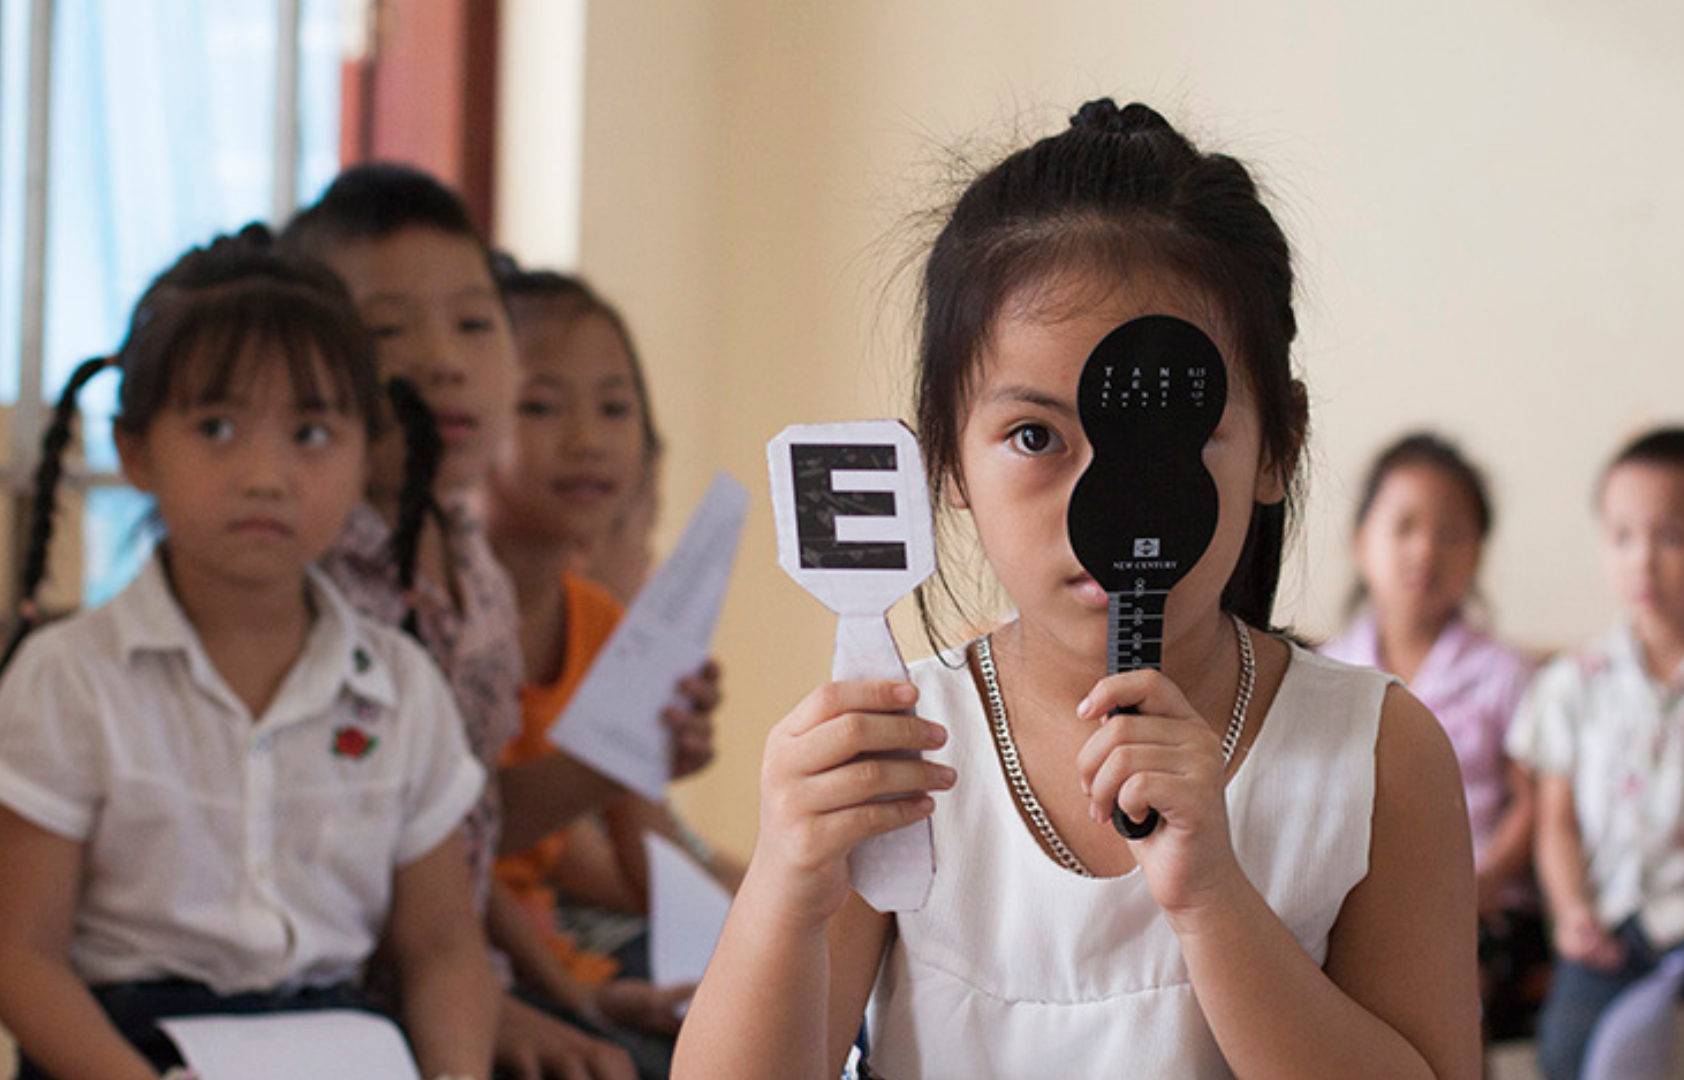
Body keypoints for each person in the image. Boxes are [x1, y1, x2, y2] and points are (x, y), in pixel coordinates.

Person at [673, 98, 1480, 1080]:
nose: (1104, 501)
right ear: (948, 464)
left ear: (1278, 444)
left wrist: (1211, 899)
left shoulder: (1380, 758)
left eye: (1164, 434)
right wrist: (785, 885)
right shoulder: (899, 748)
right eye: (1035, 437)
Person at [0, 227, 496, 1080]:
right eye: (217, 427)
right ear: (137, 450)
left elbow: (443, 948)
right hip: (123, 1052)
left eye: (313, 434)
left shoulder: (402, 687)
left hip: (340, 1046)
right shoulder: (68, 679)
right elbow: (22, 960)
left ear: (368, 452)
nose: (266, 474)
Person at [283, 164, 645, 1080]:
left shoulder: (468, 563)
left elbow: (462, 834)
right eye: (388, 328)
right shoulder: (315, 581)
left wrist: (568, 998)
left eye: (475, 323)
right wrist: (500, 1015)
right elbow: (341, 870)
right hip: (347, 996)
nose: (443, 358)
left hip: (461, 974)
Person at [483, 266, 732, 1079]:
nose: (587, 439)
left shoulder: (597, 625)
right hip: (474, 957)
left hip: (550, 955)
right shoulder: (447, 618)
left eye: (615, 407)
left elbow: (644, 844)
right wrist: (567, 996)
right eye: (542, 406)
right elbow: (456, 848)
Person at [1508, 426, 1684, 1080]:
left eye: (1671, 536)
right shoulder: (1574, 684)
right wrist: (1573, 910)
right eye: (1621, 536)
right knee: (1567, 1049)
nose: (1643, 560)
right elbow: (1557, 823)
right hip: (1613, 927)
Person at [1320, 432, 1542, 1039]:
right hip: (1353, 904)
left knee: (1445, 1004)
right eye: (1405, 527)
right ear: (1363, 541)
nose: (1426, 550)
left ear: (1477, 554)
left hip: (1480, 908)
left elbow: (1531, 799)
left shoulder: (1504, 672)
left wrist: (1484, 882)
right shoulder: (1324, 672)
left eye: (1452, 533)